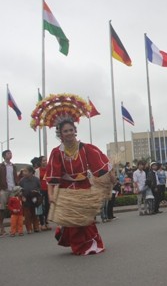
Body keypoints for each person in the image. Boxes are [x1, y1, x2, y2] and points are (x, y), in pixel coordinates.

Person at [30, 94, 113, 255]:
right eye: (65, 131)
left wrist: (109, 178)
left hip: (84, 187)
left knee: (87, 218)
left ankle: (91, 243)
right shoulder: (56, 152)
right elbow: (53, 176)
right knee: (74, 220)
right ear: (60, 134)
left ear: (75, 131)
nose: (68, 133)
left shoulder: (86, 148)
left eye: (71, 130)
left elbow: (100, 166)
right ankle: (80, 246)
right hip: (67, 189)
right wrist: (52, 195)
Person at [0, 149, 19, 237]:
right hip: (3, 190)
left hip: (13, 189)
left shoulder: (13, 166)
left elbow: (15, 177)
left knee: (14, 209)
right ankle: (2, 228)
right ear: (4, 156)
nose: (10, 154)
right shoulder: (1, 166)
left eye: (11, 153)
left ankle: (14, 229)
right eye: (8, 153)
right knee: (2, 209)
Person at [18, 165, 42, 234]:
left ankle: (36, 227)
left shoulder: (36, 179)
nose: (24, 173)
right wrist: (22, 196)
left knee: (34, 213)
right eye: (23, 171)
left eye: (26, 171)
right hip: (26, 199)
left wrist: (36, 192)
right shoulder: (22, 180)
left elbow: (39, 188)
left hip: (34, 198)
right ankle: (29, 229)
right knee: (27, 214)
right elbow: (19, 189)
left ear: (31, 172)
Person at [35, 156, 52, 231]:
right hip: (40, 190)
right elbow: (35, 181)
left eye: (46, 160)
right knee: (40, 207)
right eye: (43, 160)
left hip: (48, 190)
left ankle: (47, 222)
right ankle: (42, 224)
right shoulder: (37, 171)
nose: (45, 162)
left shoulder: (50, 170)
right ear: (40, 162)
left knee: (48, 206)